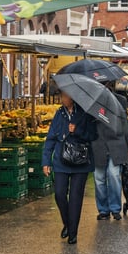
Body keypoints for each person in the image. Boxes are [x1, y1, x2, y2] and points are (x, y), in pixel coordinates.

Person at [42, 92, 98, 245]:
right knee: (59, 194)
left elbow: (93, 135)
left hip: (81, 162)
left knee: (75, 198)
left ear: (73, 97)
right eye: (62, 96)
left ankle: (73, 232)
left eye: (65, 96)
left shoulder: (85, 113)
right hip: (61, 160)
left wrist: (77, 131)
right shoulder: (59, 114)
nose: (63, 99)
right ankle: (67, 223)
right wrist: (46, 161)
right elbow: (51, 138)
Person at [93, 87, 128, 221]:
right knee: (99, 179)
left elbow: (125, 125)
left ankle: (115, 208)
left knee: (114, 175)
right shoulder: (92, 103)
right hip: (98, 145)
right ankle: (103, 210)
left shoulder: (119, 101)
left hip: (116, 145)